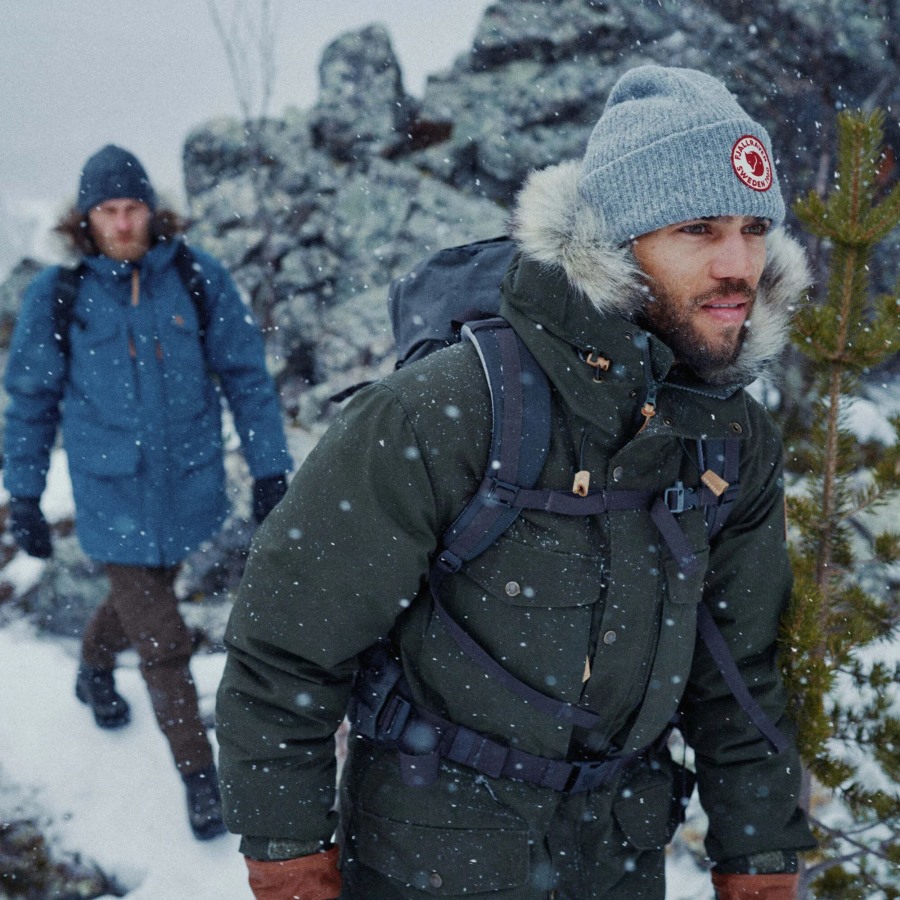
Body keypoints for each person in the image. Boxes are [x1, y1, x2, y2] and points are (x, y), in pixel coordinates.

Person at [215, 66, 816, 898]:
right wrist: (286, 853)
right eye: (698, 229)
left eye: (754, 228)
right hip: (432, 863)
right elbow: (289, 643)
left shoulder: (729, 437)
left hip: (619, 862)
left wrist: (759, 856)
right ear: (614, 244)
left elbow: (739, 672)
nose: (738, 264)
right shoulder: (446, 409)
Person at [3, 145, 292, 841]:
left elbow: (245, 375)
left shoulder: (196, 276)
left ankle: (93, 666)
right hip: (111, 495)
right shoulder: (59, 294)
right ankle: (199, 776)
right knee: (164, 639)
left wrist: (269, 467)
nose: (124, 223)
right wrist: (24, 495)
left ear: (152, 210)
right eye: (108, 210)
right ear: (86, 218)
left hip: (188, 487)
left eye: (133, 207)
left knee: (145, 595)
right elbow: (30, 402)